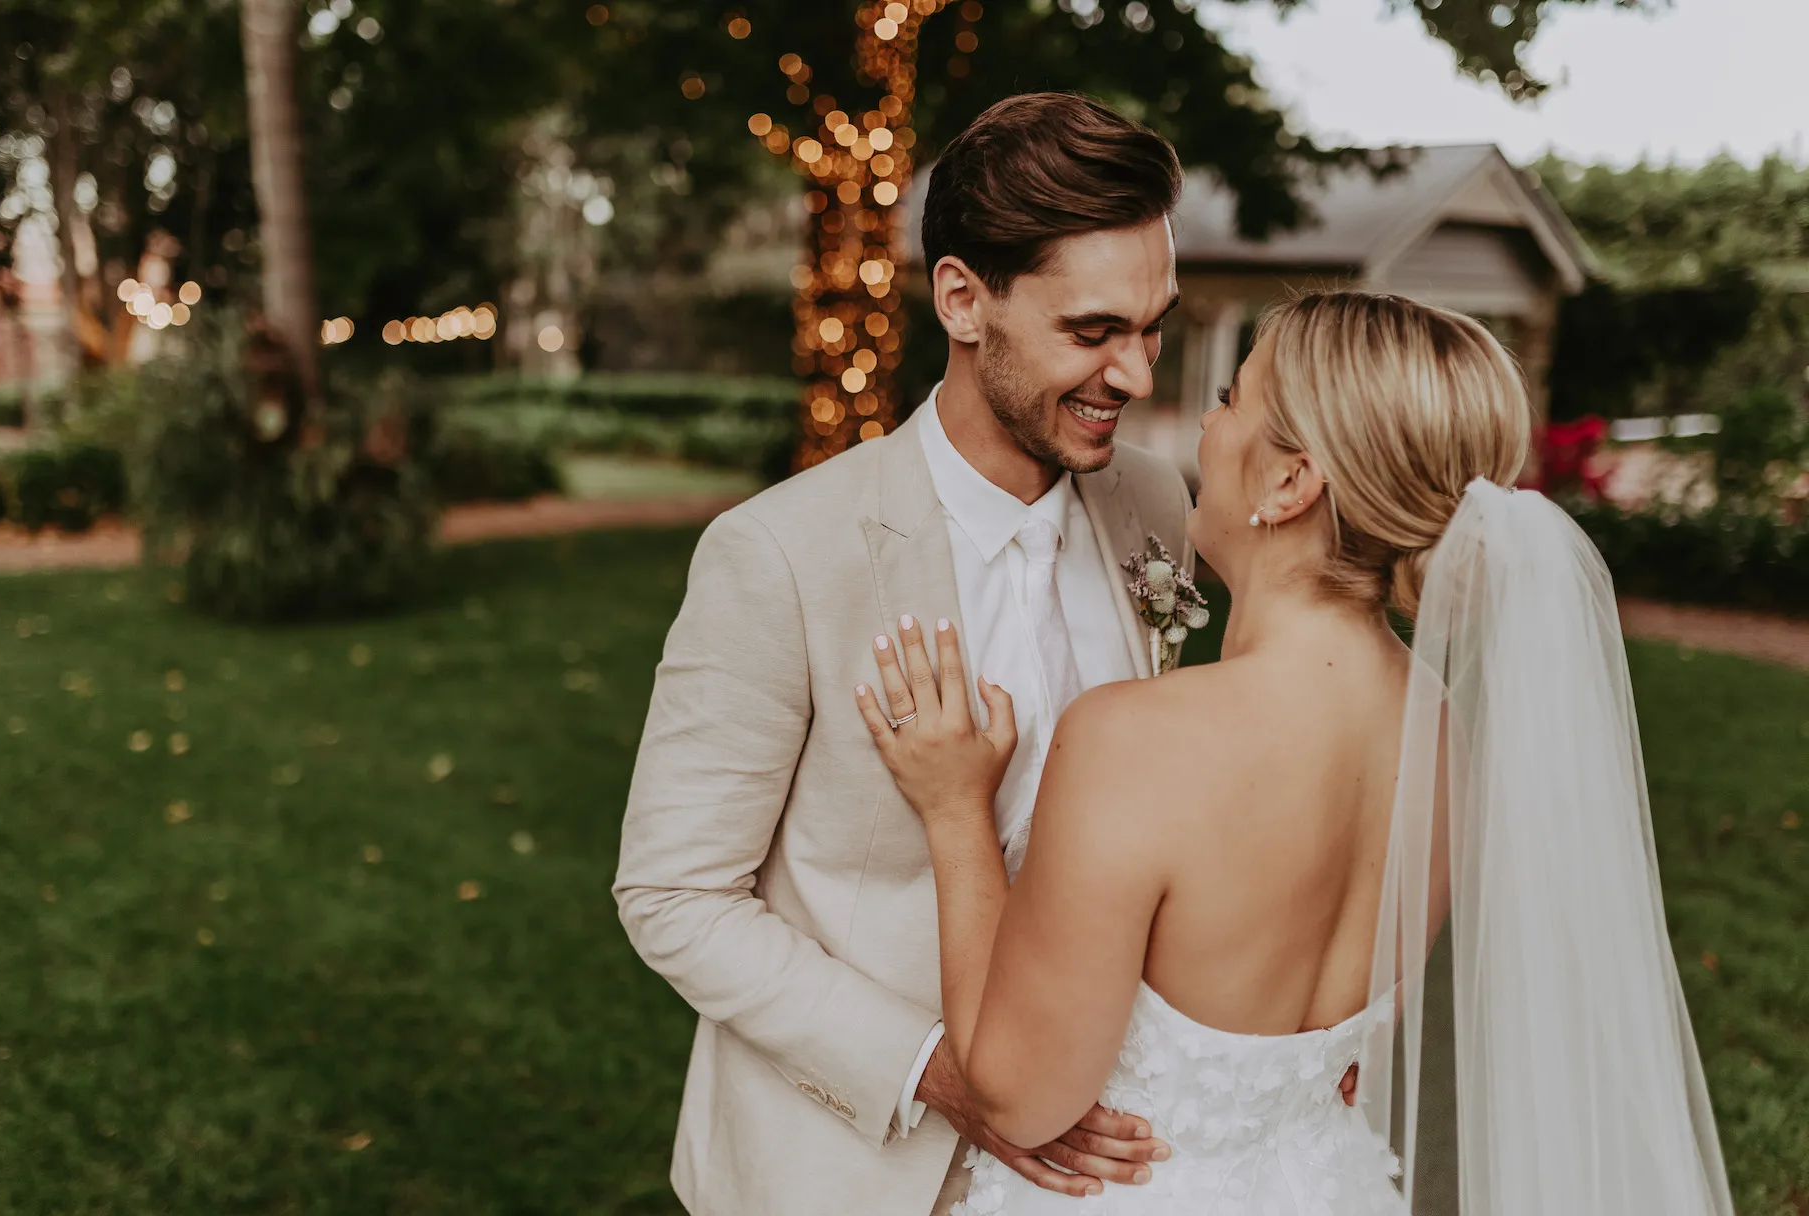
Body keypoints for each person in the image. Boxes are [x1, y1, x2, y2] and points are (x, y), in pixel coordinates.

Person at [854, 290, 1736, 1214]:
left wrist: (956, 812)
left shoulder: (1135, 740)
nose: (1206, 418)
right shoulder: (1448, 738)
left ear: (1291, 483)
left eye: (1232, 397)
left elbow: (1019, 1097)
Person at [616, 93, 1201, 1216]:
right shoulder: (778, 556)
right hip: (850, 1169)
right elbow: (674, 891)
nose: (1135, 374)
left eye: (1153, 325)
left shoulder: (1152, 504)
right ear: (962, 299)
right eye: (1092, 333)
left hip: (1110, 1152)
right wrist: (945, 1072)